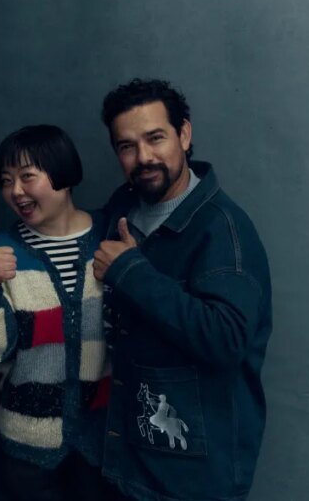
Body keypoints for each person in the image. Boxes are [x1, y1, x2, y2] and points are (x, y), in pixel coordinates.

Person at [93, 79, 272, 500]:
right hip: (127, 454)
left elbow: (225, 339)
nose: (144, 157)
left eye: (155, 138)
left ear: (184, 134)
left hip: (192, 476)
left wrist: (130, 271)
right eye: (127, 146)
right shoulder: (123, 207)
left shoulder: (223, 229)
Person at [0, 125, 117, 501]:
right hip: (26, 443)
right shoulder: (3, 251)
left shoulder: (110, 237)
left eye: (27, 176)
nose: (15, 191)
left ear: (64, 174)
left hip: (102, 440)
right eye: (6, 180)